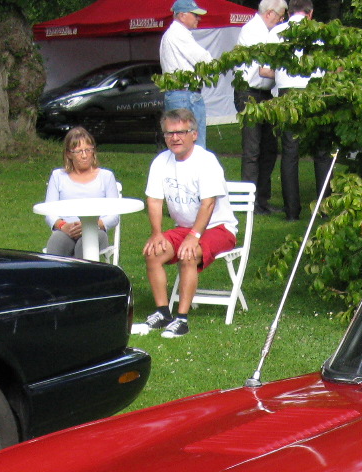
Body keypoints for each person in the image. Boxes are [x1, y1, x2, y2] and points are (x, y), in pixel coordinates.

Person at [141, 108, 237, 339]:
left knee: (188, 254)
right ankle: (163, 312)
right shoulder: (160, 162)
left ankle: (182, 319)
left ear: (194, 134)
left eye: (181, 132)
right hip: (184, 227)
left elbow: (208, 204)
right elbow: (154, 200)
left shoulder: (206, 161)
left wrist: (193, 237)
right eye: (169, 133)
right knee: (154, 253)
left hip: (218, 226)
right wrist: (157, 234)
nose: (175, 138)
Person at [272, 0, 333, 220]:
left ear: (289, 12)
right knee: (322, 152)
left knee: (290, 152)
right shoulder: (320, 32)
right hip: (314, 91)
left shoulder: (277, 31)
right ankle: (325, 208)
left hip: (287, 93)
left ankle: (291, 212)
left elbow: (268, 67)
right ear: (310, 13)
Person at [234, 0, 287, 214]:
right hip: (249, 93)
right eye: (281, 16)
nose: (282, 20)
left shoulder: (264, 31)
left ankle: (261, 201)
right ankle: (249, 202)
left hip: (264, 93)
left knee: (269, 148)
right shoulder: (253, 31)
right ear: (270, 14)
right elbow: (264, 70)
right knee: (253, 149)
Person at [41, 127, 123, 259]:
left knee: (85, 245)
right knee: (56, 241)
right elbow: (49, 211)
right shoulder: (58, 176)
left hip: (96, 230)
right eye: (79, 151)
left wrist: (91, 225)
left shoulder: (106, 176)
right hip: (66, 229)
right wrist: (63, 226)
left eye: (88, 150)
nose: (84, 155)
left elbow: (114, 216)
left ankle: (83, 278)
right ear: (69, 154)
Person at [160, 0, 214, 148]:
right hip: (185, 95)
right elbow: (204, 60)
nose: (198, 18)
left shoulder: (172, 34)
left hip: (178, 94)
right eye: (195, 14)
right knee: (193, 145)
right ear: (182, 15)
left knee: (179, 144)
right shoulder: (179, 34)